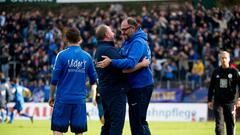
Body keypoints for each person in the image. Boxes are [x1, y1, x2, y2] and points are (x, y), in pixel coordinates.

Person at [97, 18, 154, 135]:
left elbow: (129, 63)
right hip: (134, 87)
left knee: (138, 122)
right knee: (136, 122)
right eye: (121, 30)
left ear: (133, 28)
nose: (121, 32)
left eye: (124, 30)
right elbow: (123, 60)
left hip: (141, 86)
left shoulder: (137, 42)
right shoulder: (128, 41)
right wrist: (141, 64)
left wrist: (111, 61)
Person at [48, 27, 97, 135]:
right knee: (79, 131)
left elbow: (54, 80)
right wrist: (91, 94)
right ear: (79, 39)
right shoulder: (87, 57)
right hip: (79, 100)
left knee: (58, 130)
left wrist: (51, 96)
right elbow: (94, 80)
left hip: (62, 99)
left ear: (66, 39)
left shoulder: (61, 55)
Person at [208, 51, 240, 135]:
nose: (223, 59)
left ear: (229, 59)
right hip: (218, 102)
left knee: (230, 125)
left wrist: (239, 99)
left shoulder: (234, 72)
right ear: (219, 59)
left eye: (225, 58)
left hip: (230, 102)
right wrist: (210, 100)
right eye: (222, 58)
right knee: (219, 124)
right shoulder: (216, 72)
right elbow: (211, 87)